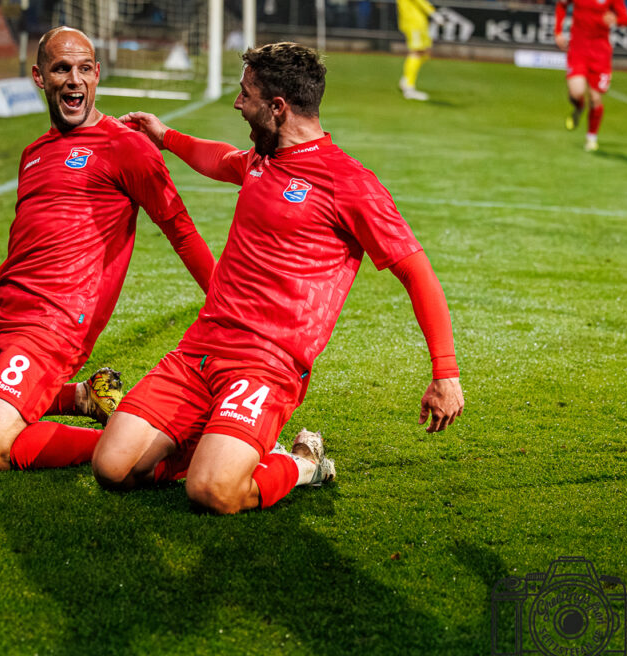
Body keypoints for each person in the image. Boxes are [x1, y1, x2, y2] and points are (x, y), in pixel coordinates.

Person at [92, 43, 465, 515]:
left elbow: (416, 271)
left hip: (266, 365)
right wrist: (164, 136)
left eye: (246, 95)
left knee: (211, 492)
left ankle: (303, 463)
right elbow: (220, 158)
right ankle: (219, 438)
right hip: (200, 350)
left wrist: (445, 374)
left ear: (278, 107)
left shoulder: (349, 182)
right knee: (113, 468)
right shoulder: (260, 160)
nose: (237, 104)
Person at [0, 26, 215, 472]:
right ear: (40, 77)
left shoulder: (126, 147)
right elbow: (25, 255)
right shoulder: (34, 153)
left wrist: (226, 305)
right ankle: (81, 396)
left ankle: (129, 448)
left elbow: (182, 232)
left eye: (84, 69)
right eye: (61, 69)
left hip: (52, 323)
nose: (74, 80)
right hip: (3, 312)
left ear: (97, 75)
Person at [554, 0, 627, 151]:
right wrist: (558, 32)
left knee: (595, 98)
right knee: (576, 92)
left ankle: (591, 138)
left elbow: (624, 19)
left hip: (600, 53)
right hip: (578, 49)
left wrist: (615, 19)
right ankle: (579, 106)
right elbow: (562, 4)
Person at [396, 0, 440, 101]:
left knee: (426, 53)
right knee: (417, 52)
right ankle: (409, 89)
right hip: (413, 22)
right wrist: (433, 13)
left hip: (419, 21)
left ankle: (406, 80)